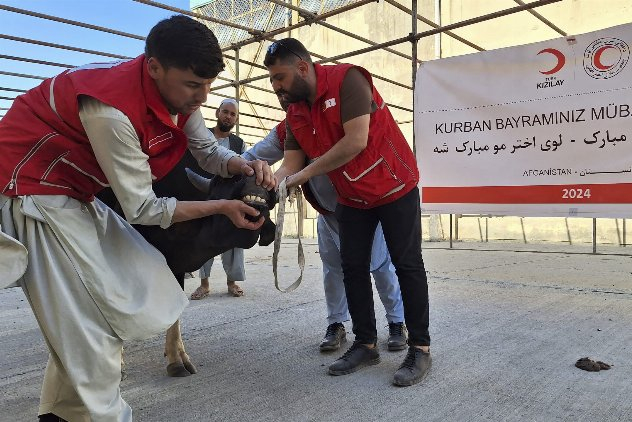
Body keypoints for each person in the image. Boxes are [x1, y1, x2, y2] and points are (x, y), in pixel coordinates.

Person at [0, 16, 275, 422]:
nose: (203, 97)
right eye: (193, 85)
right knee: (92, 320)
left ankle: (62, 412)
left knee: (144, 272)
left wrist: (243, 166)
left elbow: (206, 151)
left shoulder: (180, 99)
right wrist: (221, 207)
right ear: (155, 67)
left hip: (74, 192)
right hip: (30, 190)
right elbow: (143, 209)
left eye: (208, 85)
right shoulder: (111, 112)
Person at [265, 38, 431, 386]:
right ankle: (366, 344)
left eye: (280, 77)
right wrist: (271, 184)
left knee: (407, 265)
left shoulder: (347, 80)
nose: (276, 86)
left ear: (302, 67)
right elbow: (290, 164)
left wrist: (301, 176)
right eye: (272, 80)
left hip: (393, 186)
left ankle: (420, 348)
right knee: (352, 267)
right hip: (353, 196)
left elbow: (356, 140)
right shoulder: (294, 113)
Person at [243, 96, 408, 353]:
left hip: (364, 209)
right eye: (276, 85)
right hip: (327, 213)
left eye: (285, 83)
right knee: (333, 269)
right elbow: (253, 156)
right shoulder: (288, 128)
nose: (282, 93)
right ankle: (336, 323)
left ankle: (397, 322)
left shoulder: (342, 115)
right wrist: (228, 166)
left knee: (380, 266)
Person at [190, 98, 248, 300]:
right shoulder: (201, 137)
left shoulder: (239, 144)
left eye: (233, 114)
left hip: (230, 198)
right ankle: (204, 285)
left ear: (236, 119)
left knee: (233, 240)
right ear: (217, 113)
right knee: (203, 238)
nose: (228, 116)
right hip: (204, 197)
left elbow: (244, 171)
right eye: (225, 112)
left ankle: (232, 282)